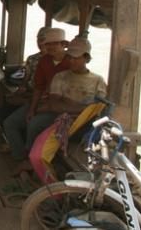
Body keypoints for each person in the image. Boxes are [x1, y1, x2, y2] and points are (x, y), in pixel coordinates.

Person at [29, 37, 107, 182]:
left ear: (86, 58)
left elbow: (99, 109)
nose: (71, 61)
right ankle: (30, 162)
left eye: (75, 58)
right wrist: (83, 108)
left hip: (84, 126)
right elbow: (54, 105)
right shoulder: (61, 77)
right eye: (69, 57)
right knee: (35, 125)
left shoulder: (98, 80)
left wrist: (68, 103)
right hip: (59, 119)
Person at [3, 28, 71, 171]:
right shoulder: (44, 60)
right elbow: (38, 88)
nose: (50, 47)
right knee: (10, 123)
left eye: (55, 44)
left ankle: (30, 161)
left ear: (63, 44)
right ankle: (21, 157)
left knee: (34, 124)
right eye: (48, 44)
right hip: (41, 103)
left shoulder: (71, 62)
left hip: (60, 108)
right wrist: (32, 109)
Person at [0, 26, 48, 123]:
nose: (40, 43)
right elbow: (26, 76)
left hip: (40, 95)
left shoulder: (52, 61)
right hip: (29, 90)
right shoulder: (32, 58)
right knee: (7, 99)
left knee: (11, 105)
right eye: (38, 40)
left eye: (43, 40)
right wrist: (22, 87)